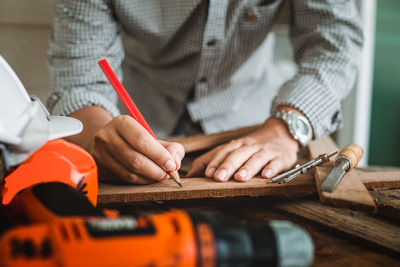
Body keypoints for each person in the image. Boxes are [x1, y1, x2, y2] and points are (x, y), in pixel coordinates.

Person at [47, 0, 363, 184]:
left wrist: (287, 127)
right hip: (139, 120)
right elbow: (81, 78)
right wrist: (98, 135)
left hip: (256, 125)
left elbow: (335, 40)